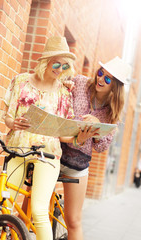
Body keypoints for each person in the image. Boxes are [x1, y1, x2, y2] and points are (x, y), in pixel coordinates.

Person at [3, 36, 79, 240]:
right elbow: (8, 117)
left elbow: (64, 133)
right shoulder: (20, 81)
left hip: (48, 154)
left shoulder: (64, 93)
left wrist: (79, 135)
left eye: (65, 66)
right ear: (45, 61)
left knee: (38, 211)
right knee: (5, 205)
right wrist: (13, 123)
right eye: (56, 63)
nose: (59, 69)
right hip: (18, 148)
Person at [60, 56, 132, 240]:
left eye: (108, 79)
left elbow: (102, 147)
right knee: (34, 207)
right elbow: (58, 95)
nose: (100, 79)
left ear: (115, 87)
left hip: (77, 164)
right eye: (101, 73)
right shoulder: (80, 82)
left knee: (74, 221)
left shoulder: (111, 113)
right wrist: (64, 85)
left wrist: (97, 128)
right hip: (55, 151)